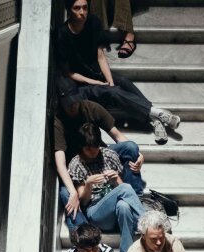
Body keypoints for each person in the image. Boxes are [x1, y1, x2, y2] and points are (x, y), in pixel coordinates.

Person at [55, 0, 179, 144]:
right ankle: (157, 113)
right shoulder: (62, 34)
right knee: (112, 92)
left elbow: (100, 55)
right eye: (77, 8)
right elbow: (68, 73)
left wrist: (110, 82)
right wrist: (95, 82)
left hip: (96, 74)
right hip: (80, 86)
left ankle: (154, 119)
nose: (82, 13)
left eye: (85, 8)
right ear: (69, 10)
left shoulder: (93, 22)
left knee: (123, 82)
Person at [53, 94, 146, 226]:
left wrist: (138, 154)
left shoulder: (91, 108)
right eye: (68, 105)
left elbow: (118, 136)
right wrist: (74, 191)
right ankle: (84, 230)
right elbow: (60, 164)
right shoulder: (58, 122)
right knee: (66, 193)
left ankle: (136, 199)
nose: (72, 107)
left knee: (131, 147)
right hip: (75, 164)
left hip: (99, 152)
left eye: (75, 103)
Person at [66, 122, 145, 252]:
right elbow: (83, 202)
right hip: (95, 212)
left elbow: (121, 188)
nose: (93, 152)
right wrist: (88, 184)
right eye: (89, 149)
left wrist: (115, 180)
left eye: (96, 147)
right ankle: (147, 222)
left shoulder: (109, 155)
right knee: (125, 188)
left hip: (115, 211)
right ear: (82, 148)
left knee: (124, 206)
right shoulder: (76, 163)